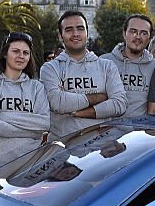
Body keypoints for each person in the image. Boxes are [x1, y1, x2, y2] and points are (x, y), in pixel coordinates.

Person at [40, 11, 126, 140]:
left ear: (87, 33)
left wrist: (79, 111)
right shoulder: (50, 68)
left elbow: (119, 105)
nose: (75, 34)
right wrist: (100, 97)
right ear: (60, 36)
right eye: (69, 30)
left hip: (101, 149)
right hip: (63, 149)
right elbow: (58, 103)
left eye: (80, 29)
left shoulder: (107, 66)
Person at [0, 32, 50, 170]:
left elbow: (45, 124)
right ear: (5, 54)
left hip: (29, 165)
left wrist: (3, 116)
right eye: (16, 51)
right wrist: (32, 132)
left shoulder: (37, 87)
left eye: (26, 53)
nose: (21, 56)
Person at [101, 14, 155, 116]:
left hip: (139, 130)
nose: (138, 36)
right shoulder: (104, 61)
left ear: (149, 38)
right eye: (133, 31)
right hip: (108, 129)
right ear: (124, 33)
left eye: (144, 33)